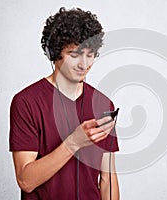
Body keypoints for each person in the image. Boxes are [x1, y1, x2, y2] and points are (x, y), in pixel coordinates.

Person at [9, 7, 120, 200]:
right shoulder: (26, 102)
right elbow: (26, 181)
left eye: (90, 54)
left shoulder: (103, 104)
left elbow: (108, 179)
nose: (83, 64)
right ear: (54, 53)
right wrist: (73, 142)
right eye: (74, 54)